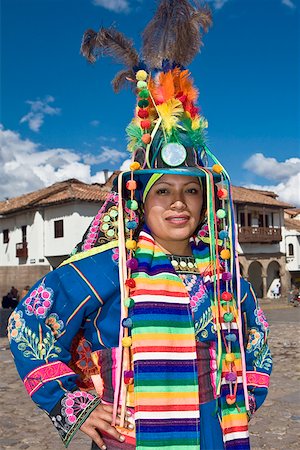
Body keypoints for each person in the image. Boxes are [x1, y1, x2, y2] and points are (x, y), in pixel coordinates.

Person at [8, 2, 272, 449]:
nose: (178, 204)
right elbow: (27, 325)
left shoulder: (223, 275)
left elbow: (257, 334)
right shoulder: (111, 267)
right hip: (133, 438)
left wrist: (245, 393)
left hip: (215, 435)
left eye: (191, 191)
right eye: (162, 191)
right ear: (140, 202)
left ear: (207, 202)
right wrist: (73, 403)